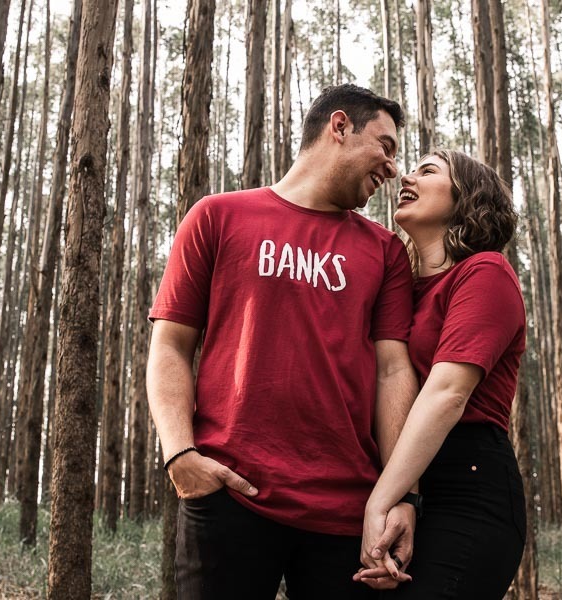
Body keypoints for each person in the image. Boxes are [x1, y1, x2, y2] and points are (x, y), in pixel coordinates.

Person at [146, 84, 419, 600]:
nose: (392, 168)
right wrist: (179, 453)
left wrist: (403, 495)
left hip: (347, 514)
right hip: (229, 495)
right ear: (339, 127)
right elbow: (170, 346)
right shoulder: (217, 217)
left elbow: (393, 372)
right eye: (385, 146)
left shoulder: (385, 252)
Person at [355, 149, 527, 598]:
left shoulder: (485, 272)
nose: (405, 176)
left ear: (467, 197)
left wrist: (384, 500)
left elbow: (447, 393)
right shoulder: (401, 288)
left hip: (466, 484)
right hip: (400, 478)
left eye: (427, 171)